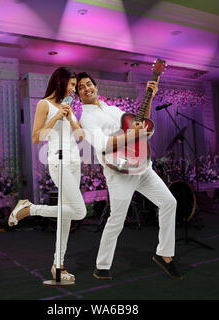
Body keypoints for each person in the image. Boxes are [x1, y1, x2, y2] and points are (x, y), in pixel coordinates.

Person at [76, 72, 183, 280]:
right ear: (79, 95)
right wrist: (133, 135)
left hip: (142, 166)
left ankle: (165, 255)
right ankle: (102, 266)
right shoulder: (86, 118)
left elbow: (139, 124)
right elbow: (102, 144)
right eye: (81, 87)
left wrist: (149, 97)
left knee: (169, 202)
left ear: (96, 87)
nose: (87, 88)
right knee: (117, 220)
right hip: (119, 173)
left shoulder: (112, 109)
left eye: (89, 83)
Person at [9, 67, 86, 282]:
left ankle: (58, 266)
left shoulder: (69, 107)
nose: (74, 89)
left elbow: (80, 136)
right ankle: (30, 208)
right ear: (60, 82)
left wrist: (70, 117)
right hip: (58, 162)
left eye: (75, 86)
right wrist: (56, 117)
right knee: (79, 211)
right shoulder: (45, 104)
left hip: (74, 163)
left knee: (67, 217)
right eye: (72, 85)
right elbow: (36, 137)